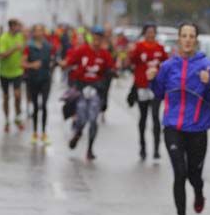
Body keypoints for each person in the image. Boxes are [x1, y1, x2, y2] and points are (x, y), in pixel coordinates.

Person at [147, 23, 210, 215]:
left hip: (198, 128)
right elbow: (159, 93)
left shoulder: (206, 66)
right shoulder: (168, 66)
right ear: (179, 39)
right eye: (184, 36)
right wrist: (153, 79)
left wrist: (208, 85)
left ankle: (198, 192)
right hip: (173, 127)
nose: (188, 40)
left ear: (196, 39)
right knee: (179, 173)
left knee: (194, 175)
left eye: (191, 36)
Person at [60, 27, 115, 160]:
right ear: (91, 37)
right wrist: (63, 65)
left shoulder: (104, 54)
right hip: (81, 89)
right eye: (95, 38)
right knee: (81, 117)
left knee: (93, 119)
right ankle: (78, 133)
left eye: (99, 38)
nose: (97, 41)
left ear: (102, 40)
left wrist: (113, 72)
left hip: (96, 90)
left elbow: (111, 68)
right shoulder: (82, 51)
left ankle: (90, 149)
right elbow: (68, 63)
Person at [128, 24, 168, 160]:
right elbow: (131, 62)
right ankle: (142, 147)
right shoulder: (139, 47)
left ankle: (156, 149)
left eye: (153, 32)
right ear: (144, 33)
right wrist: (131, 52)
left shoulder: (160, 48)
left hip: (155, 88)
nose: (150, 35)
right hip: (142, 86)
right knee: (143, 117)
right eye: (148, 32)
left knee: (156, 117)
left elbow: (166, 64)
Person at [22, 23, 54, 145]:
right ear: (33, 33)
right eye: (36, 31)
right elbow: (22, 63)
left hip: (45, 79)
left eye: (41, 30)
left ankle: (44, 133)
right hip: (33, 79)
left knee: (44, 105)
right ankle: (35, 132)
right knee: (35, 106)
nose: (39, 33)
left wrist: (52, 65)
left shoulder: (48, 46)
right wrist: (32, 65)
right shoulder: (28, 46)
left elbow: (51, 60)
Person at [0, 19, 27, 133]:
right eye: (17, 26)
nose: (19, 28)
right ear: (11, 27)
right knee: (6, 97)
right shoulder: (3, 38)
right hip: (4, 72)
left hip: (17, 72)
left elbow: (26, 51)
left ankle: (18, 117)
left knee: (17, 95)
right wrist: (14, 48)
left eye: (20, 26)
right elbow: (1, 55)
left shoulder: (21, 37)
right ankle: (6, 120)